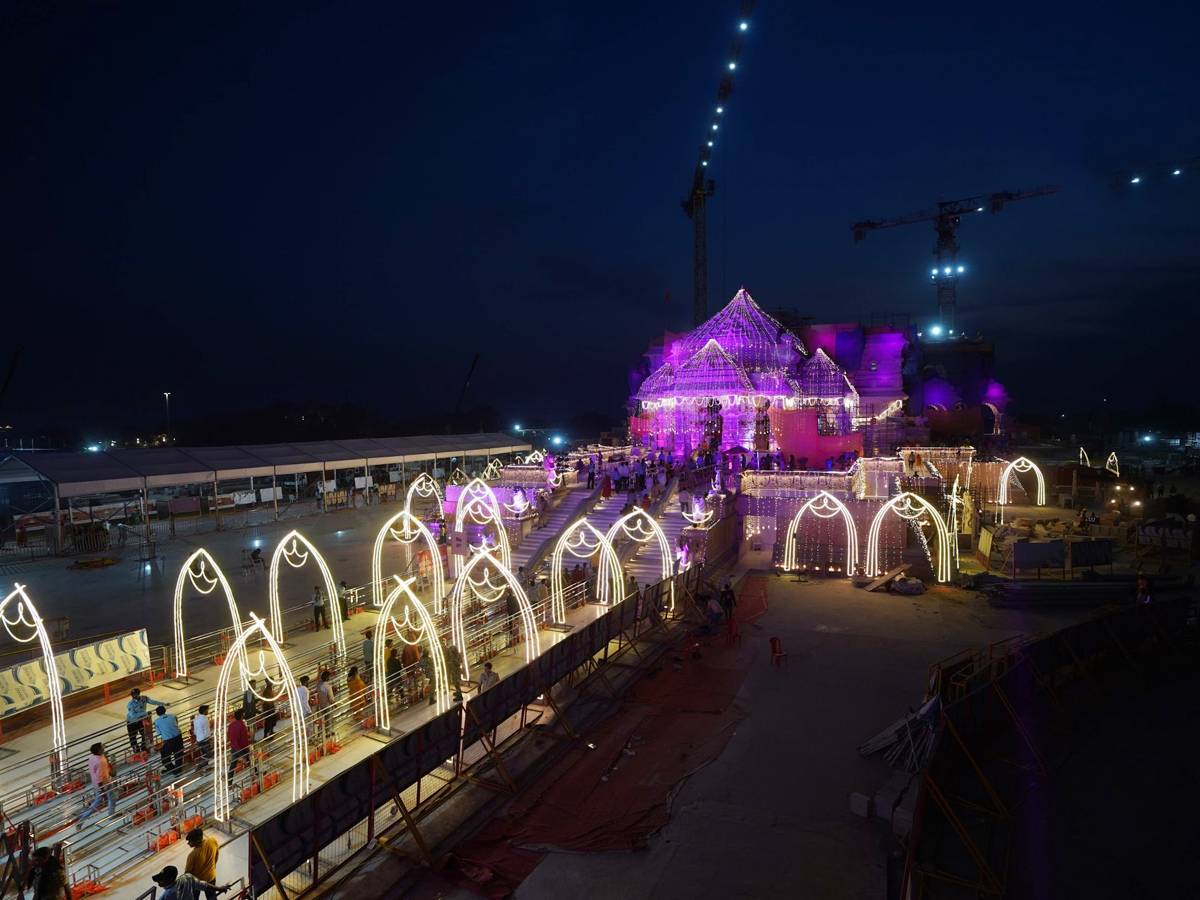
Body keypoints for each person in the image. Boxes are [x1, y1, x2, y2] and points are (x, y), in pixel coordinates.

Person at [76, 743, 116, 828]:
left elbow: (101, 770)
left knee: (107, 798)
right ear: (98, 750)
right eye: (101, 748)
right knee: (109, 798)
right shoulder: (100, 761)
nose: (103, 749)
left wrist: (110, 773)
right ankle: (111, 814)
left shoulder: (93, 758)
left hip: (98, 784)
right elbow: (99, 776)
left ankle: (81, 820)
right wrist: (101, 788)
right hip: (104, 784)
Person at [149, 865, 232, 900]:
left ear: (170, 879)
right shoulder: (187, 878)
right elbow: (204, 885)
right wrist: (220, 888)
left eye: (161, 880)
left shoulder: (168, 895)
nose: (158, 882)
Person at [126, 688, 167, 753]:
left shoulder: (144, 698)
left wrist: (163, 704)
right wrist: (145, 713)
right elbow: (133, 715)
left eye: (134, 694)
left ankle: (143, 748)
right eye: (132, 695)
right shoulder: (130, 704)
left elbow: (153, 702)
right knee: (133, 737)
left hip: (140, 720)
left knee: (144, 734)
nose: (132, 696)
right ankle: (136, 750)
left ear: (138, 694)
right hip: (132, 722)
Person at [184, 828, 220, 900]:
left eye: (190, 841)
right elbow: (216, 856)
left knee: (194, 897)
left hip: (197, 882)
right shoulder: (213, 841)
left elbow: (187, 873)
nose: (188, 843)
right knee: (212, 897)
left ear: (197, 841)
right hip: (211, 877)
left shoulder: (193, 855)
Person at [154, 706, 184, 777]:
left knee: (165, 756)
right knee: (178, 754)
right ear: (165, 710)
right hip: (178, 737)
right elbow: (176, 723)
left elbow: (158, 732)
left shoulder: (157, 722)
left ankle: (171, 768)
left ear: (157, 714)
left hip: (169, 740)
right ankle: (178, 770)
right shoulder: (173, 716)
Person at [226, 709, 251, 780]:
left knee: (232, 765)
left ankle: (229, 781)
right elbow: (244, 738)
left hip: (234, 747)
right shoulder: (242, 725)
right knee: (250, 761)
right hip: (241, 748)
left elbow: (229, 736)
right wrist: (247, 747)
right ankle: (257, 774)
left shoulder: (230, 725)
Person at [295, 676, 312, 743]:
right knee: (310, 726)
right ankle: (311, 739)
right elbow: (305, 702)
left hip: (298, 710)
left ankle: (299, 742)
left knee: (300, 727)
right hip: (305, 711)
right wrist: (309, 711)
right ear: (306, 682)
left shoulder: (296, 689)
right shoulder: (305, 690)